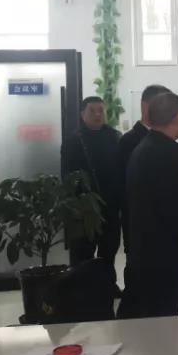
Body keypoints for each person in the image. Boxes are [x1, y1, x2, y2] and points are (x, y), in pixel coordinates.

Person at [118, 92, 178, 319]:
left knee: (148, 321)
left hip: (146, 252)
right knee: (161, 322)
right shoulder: (162, 154)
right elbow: (172, 209)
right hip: (161, 257)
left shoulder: (146, 147)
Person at [61, 96, 122, 272]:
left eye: (101, 110)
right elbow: (67, 176)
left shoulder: (114, 137)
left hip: (110, 206)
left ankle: (106, 284)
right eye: (92, 111)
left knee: (108, 252)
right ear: (82, 114)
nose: (97, 114)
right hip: (85, 208)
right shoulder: (73, 141)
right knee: (82, 255)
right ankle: (82, 286)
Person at [117, 84, 169, 252]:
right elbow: (126, 186)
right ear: (145, 106)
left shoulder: (165, 137)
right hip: (140, 221)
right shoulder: (129, 141)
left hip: (164, 222)